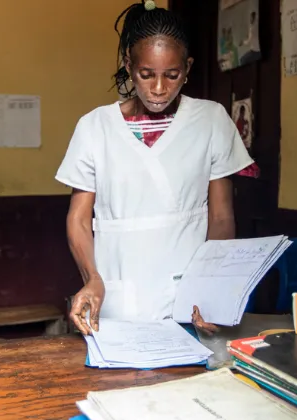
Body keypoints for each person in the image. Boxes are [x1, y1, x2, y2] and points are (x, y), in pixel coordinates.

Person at [56, 1, 253, 335]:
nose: (159, 88)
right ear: (129, 66)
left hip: (189, 304)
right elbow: (78, 218)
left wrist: (210, 290)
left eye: (172, 75)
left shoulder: (211, 120)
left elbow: (221, 217)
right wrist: (92, 279)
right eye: (146, 75)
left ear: (187, 68)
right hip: (115, 300)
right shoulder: (94, 127)